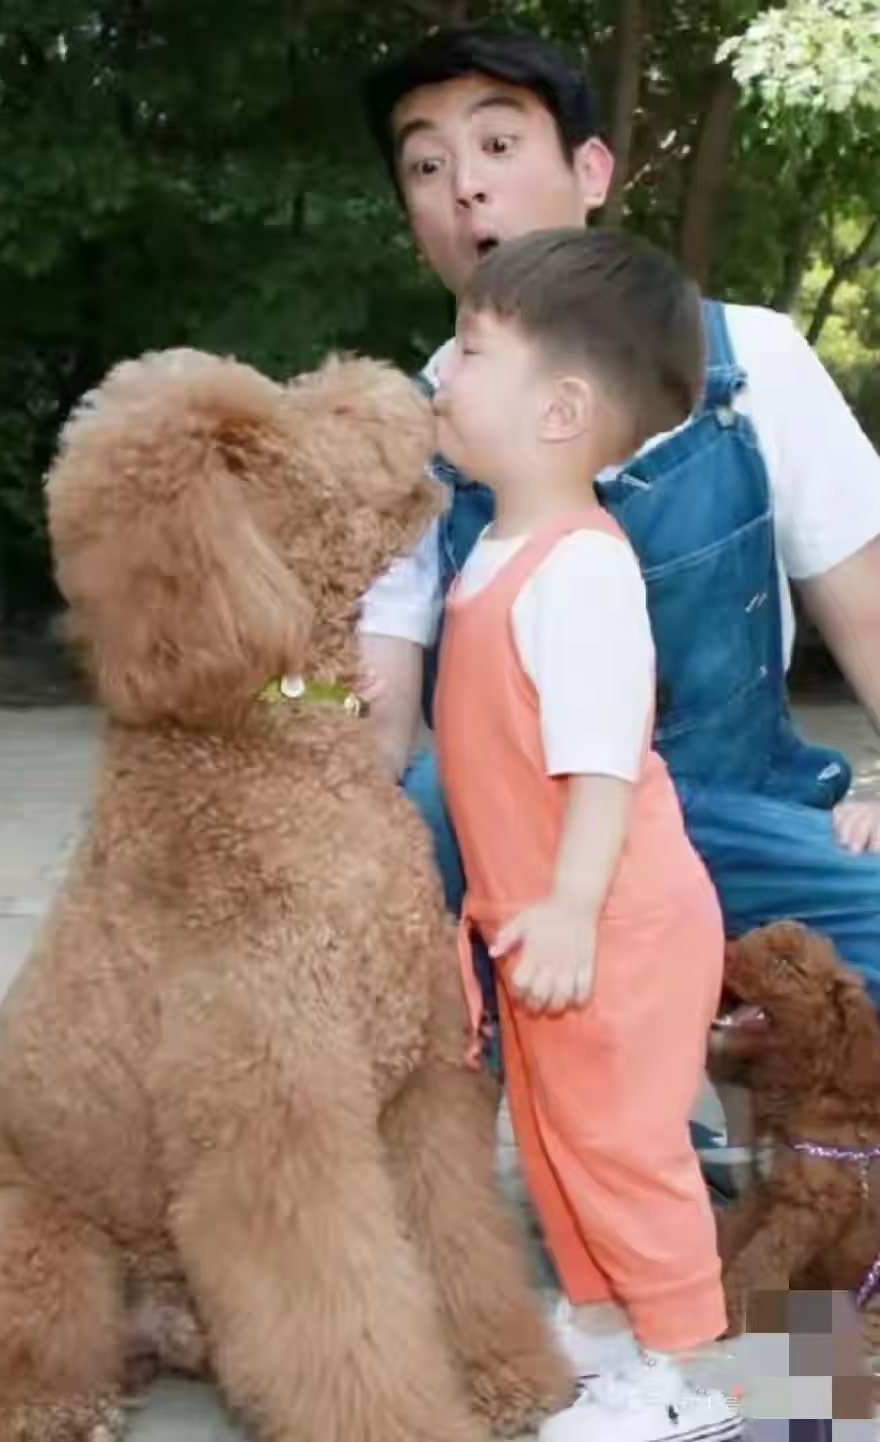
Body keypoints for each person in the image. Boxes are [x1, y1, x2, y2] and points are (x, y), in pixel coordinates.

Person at [356, 24, 880, 1030]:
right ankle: (547, 1093)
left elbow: (869, 618)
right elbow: (379, 721)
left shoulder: (751, 360)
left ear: (590, 169)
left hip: (732, 820)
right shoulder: (410, 428)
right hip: (525, 841)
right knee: (415, 814)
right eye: (428, 164)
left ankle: (745, 1091)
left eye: (499, 146)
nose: (466, 184)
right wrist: (267, 689)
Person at [432, 224, 739, 1442]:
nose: (441, 376)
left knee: (622, 1142)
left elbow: (603, 761)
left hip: (609, 918)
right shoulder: (493, 550)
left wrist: (565, 904)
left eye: (467, 349)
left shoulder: (580, 569)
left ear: (559, 409)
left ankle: (691, 1371)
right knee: (558, 1140)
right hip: (541, 923)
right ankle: (609, 1318)